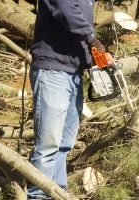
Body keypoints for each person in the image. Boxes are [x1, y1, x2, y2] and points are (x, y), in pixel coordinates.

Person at [28, 0, 104, 199]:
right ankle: (38, 196)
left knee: (65, 143)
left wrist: (96, 56)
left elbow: (77, 29)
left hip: (73, 73)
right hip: (53, 71)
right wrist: (93, 40)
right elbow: (67, 12)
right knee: (48, 145)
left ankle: (56, 192)